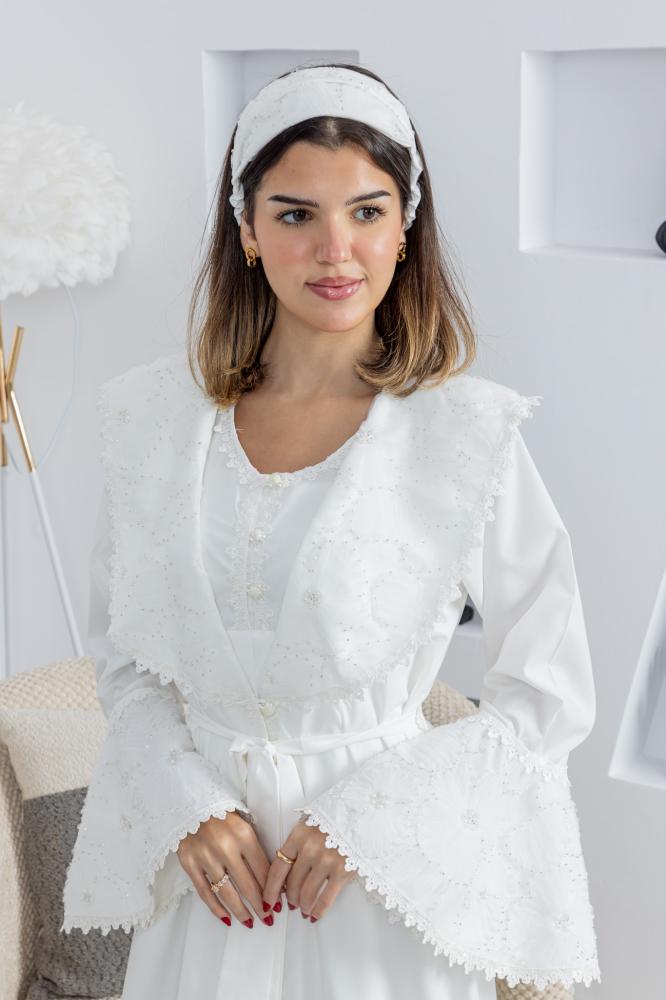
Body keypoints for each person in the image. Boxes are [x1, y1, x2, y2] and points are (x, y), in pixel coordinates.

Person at [62, 62, 601, 998]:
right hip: (212, 885)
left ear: (405, 229)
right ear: (247, 230)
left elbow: (551, 690)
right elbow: (125, 655)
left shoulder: (466, 435)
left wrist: (377, 822)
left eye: (367, 211)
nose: (335, 250)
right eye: (295, 214)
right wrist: (185, 803)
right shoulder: (152, 423)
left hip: (373, 891)